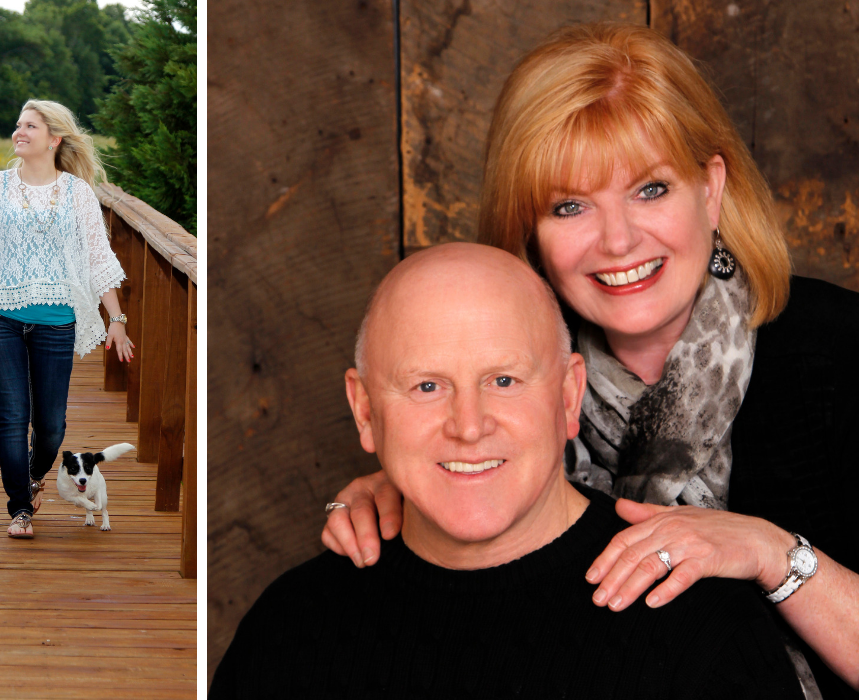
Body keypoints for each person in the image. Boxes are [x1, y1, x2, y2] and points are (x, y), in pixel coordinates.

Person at [319, 24, 859, 697]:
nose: (618, 240)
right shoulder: (513, 390)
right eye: (570, 205)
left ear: (711, 188)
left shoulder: (840, 357)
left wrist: (773, 556)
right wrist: (425, 496)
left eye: (650, 190)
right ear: (529, 231)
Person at [212, 243, 801, 697]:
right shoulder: (289, 631)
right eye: (426, 385)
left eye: (504, 381)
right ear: (365, 410)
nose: (469, 425)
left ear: (569, 396)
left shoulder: (699, 627)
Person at [0, 100, 133, 538]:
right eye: (18, 124)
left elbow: (99, 259)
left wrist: (117, 318)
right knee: (13, 416)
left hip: (57, 321)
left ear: (54, 138)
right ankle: (20, 508)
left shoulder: (78, 194)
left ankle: (36, 477)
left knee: (52, 425)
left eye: (30, 126)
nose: (19, 131)